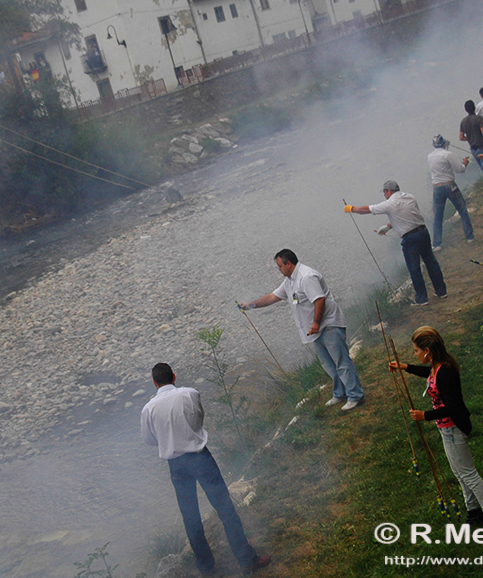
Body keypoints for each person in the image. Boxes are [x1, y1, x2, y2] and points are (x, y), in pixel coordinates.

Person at [141, 363, 271, 576]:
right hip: (200, 458)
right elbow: (197, 421)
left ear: (155, 383)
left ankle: (207, 569)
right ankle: (247, 559)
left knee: (190, 518)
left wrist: (169, 439)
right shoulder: (189, 394)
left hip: (176, 465)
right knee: (225, 509)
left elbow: (149, 439)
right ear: (174, 376)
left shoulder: (149, 409)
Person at [389, 326, 483, 531]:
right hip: (446, 429)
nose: (415, 353)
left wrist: (425, 416)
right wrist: (405, 366)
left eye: (416, 350)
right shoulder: (436, 366)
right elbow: (428, 374)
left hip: (454, 428)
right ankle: (473, 510)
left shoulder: (446, 372)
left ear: (428, 351)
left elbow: (454, 407)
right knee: (459, 472)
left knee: (468, 473)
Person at [239, 249, 364, 409]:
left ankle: (355, 395)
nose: (279, 269)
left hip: (328, 326)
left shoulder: (306, 277)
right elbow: (272, 297)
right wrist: (250, 305)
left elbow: (319, 299)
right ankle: (340, 393)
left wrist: (316, 322)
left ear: (288, 263)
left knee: (341, 361)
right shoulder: (290, 280)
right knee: (328, 364)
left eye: (279, 266)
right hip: (315, 330)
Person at [345, 181, 447, 306]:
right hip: (423, 232)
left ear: (389, 191)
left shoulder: (390, 204)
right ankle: (441, 291)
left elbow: (367, 209)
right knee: (431, 262)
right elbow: (405, 216)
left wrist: (352, 209)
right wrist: (387, 227)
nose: (384, 194)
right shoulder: (410, 197)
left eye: (384, 192)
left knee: (414, 269)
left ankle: (422, 298)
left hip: (410, 239)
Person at [427, 134, 474, 250]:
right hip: (449, 185)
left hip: (437, 187)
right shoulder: (448, 154)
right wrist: (465, 163)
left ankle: (437, 243)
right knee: (462, 210)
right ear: (443, 143)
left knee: (438, 216)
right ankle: (470, 237)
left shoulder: (430, 156)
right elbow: (459, 170)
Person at [459, 100, 483, 199]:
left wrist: (470, 137)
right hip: (482, 147)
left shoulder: (463, 121)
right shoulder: (479, 119)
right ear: (474, 108)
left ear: (465, 110)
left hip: (473, 149)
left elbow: (461, 137)